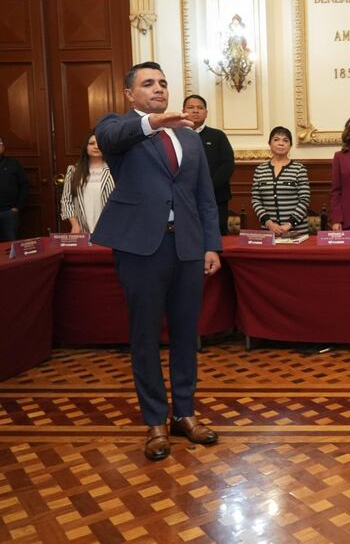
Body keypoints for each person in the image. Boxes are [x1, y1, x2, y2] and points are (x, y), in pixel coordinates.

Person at [92, 61, 222, 461]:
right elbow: (112, 136)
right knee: (145, 338)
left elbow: (204, 197)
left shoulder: (191, 138)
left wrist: (211, 245)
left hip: (186, 247)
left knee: (187, 336)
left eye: (163, 83)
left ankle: (184, 413)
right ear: (130, 94)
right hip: (140, 249)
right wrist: (153, 121)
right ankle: (154, 421)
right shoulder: (118, 128)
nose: (159, 89)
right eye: (148, 84)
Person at [183, 94, 234, 237]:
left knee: (216, 237)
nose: (195, 111)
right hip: (186, 198)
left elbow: (227, 165)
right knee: (189, 236)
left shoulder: (218, 136)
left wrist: (207, 187)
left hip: (216, 198)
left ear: (206, 113)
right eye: (191, 107)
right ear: (183, 111)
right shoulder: (176, 135)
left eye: (200, 108)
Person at [251, 126, 311, 236]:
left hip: (296, 232)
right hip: (269, 232)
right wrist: (269, 223)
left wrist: (289, 224)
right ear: (269, 144)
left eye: (285, 140)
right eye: (276, 139)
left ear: (290, 146)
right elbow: (256, 200)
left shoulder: (299, 169)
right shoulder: (260, 170)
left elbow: (304, 200)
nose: (281, 143)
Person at [60, 132, 115, 233]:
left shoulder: (114, 169)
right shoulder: (73, 171)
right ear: (85, 147)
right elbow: (66, 200)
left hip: (111, 228)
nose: (96, 146)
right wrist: (75, 225)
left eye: (99, 143)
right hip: (83, 229)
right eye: (91, 143)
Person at [0, 134, 28, 241]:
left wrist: (17, 207)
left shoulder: (14, 164)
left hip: (9, 213)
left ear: (3, 147)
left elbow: (24, 185)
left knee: (12, 248)